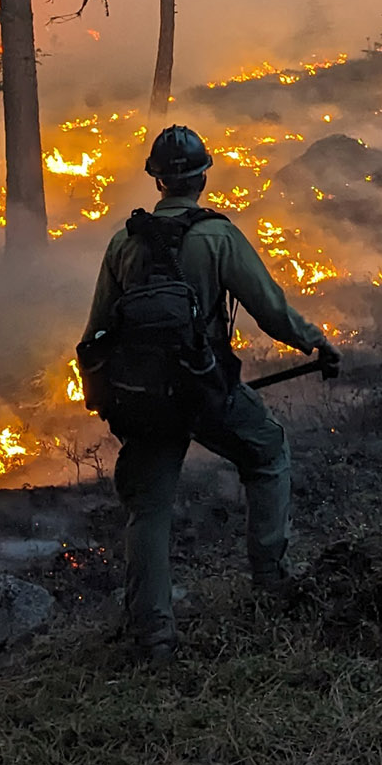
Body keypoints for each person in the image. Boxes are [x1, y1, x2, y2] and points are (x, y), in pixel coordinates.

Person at [83, 126, 338, 663]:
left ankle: (152, 633)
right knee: (266, 452)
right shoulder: (217, 236)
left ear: (157, 180)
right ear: (202, 177)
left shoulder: (124, 242)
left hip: (145, 400)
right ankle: (270, 578)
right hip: (207, 390)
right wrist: (314, 343)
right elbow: (270, 309)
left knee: (148, 508)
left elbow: (97, 334)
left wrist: (108, 399)